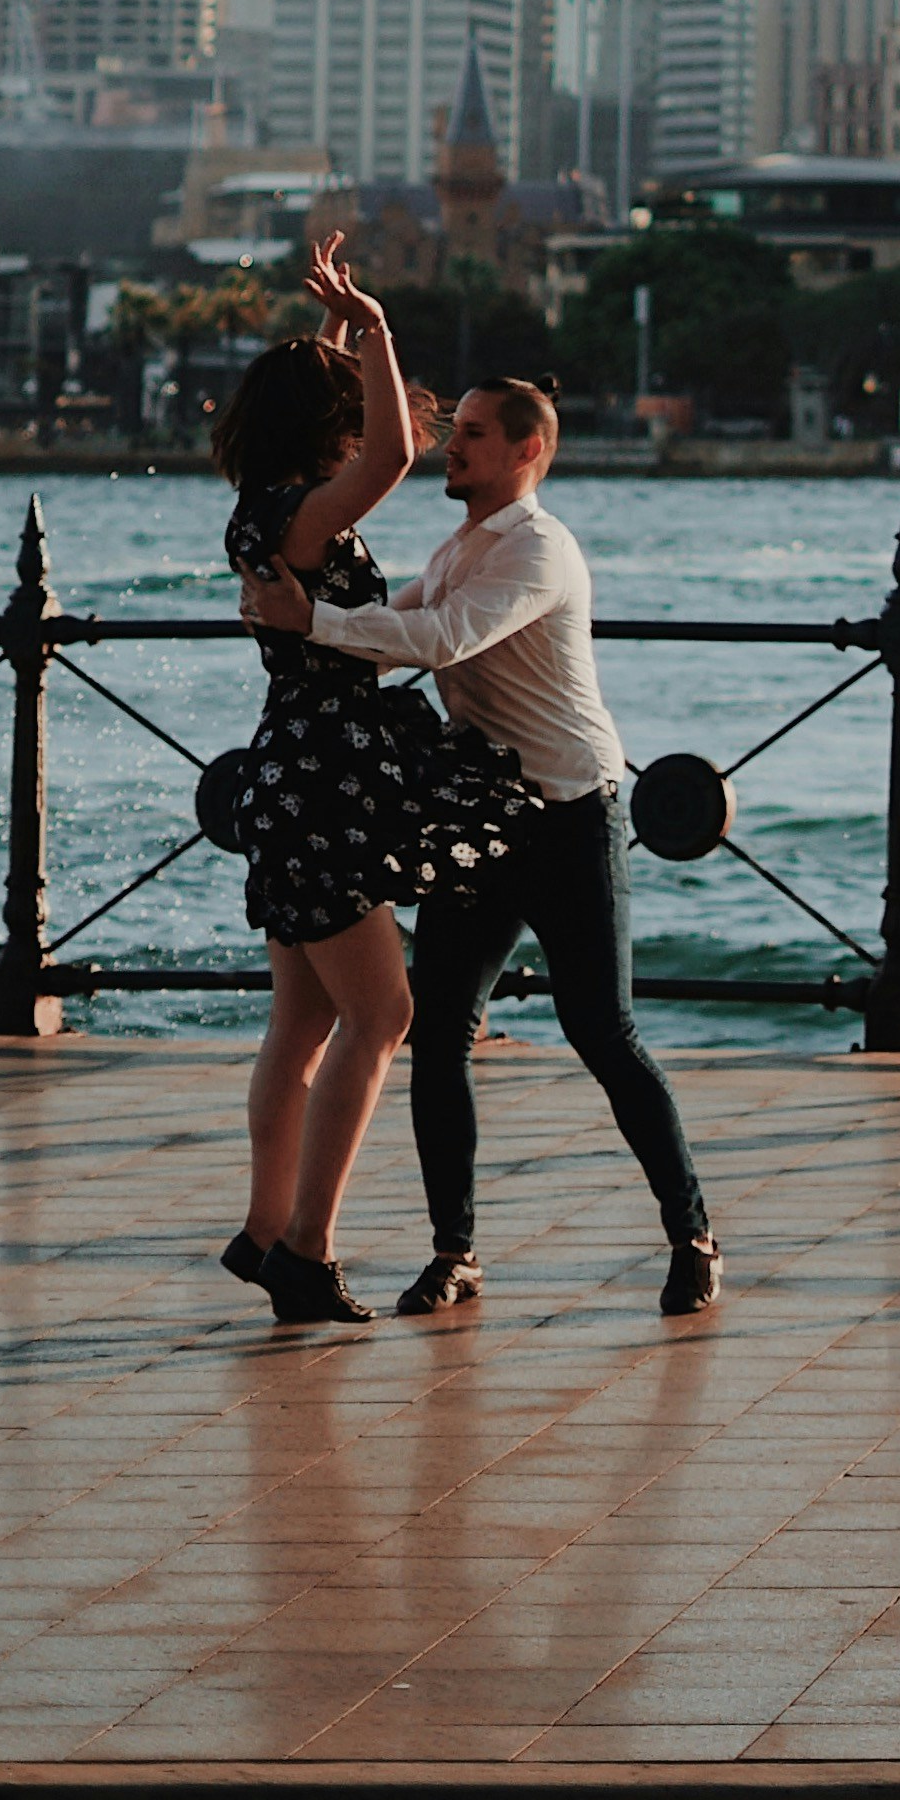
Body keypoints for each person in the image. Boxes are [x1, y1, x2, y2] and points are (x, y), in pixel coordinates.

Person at [242, 367, 720, 1324]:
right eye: (452, 430)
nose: (450, 448)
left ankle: (693, 1235)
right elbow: (395, 631)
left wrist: (315, 620)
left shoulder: (540, 551)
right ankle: (454, 1252)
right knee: (440, 1033)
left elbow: (444, 640)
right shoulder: (461, 545)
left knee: (603, 1032)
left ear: (526, 451)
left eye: (470, 435)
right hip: (484, 820)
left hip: (573, 811)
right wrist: (304, 632)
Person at [212, 239, 525, 1330]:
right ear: (317, 427)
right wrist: (382, 328)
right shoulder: (301, 516)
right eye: (335, 400)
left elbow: (359, 438)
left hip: (295, 774)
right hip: (327, 784)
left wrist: (340, 339)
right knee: (382, 1013)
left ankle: (262, 1232)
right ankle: (307, 1248)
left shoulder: (267, 506)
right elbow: (391, 454)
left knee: (299, 1028)